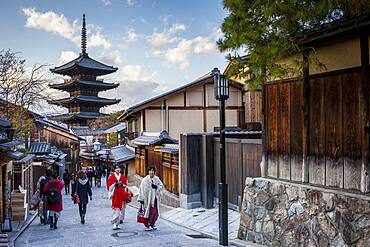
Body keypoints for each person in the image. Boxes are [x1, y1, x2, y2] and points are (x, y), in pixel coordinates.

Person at [138, 166, 163, 231]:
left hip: (154, 198)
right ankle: (147, 225)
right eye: (150, 171)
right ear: (148, 171)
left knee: (155, 212)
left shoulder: (157, 179)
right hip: (147, 199)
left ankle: (153, 224)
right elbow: (141, 189)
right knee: (148, 212)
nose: (151, 172)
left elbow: (161, 186)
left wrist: (156, 187)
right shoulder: (145, 180)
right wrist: (141, 199)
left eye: (153, 171)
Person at [107, 165, 128, 230]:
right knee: (116, 209)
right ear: (114, 170)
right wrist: (114, 184)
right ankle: (114, 223)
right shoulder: (112, 177)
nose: (118, 169)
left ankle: (117, 223)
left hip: (121, 194)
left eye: (119, 168)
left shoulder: (122, 176)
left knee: (121, 209)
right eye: (116, 168)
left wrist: (122, 184)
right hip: (115, 195)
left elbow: (125, 185)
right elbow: (109, 186)